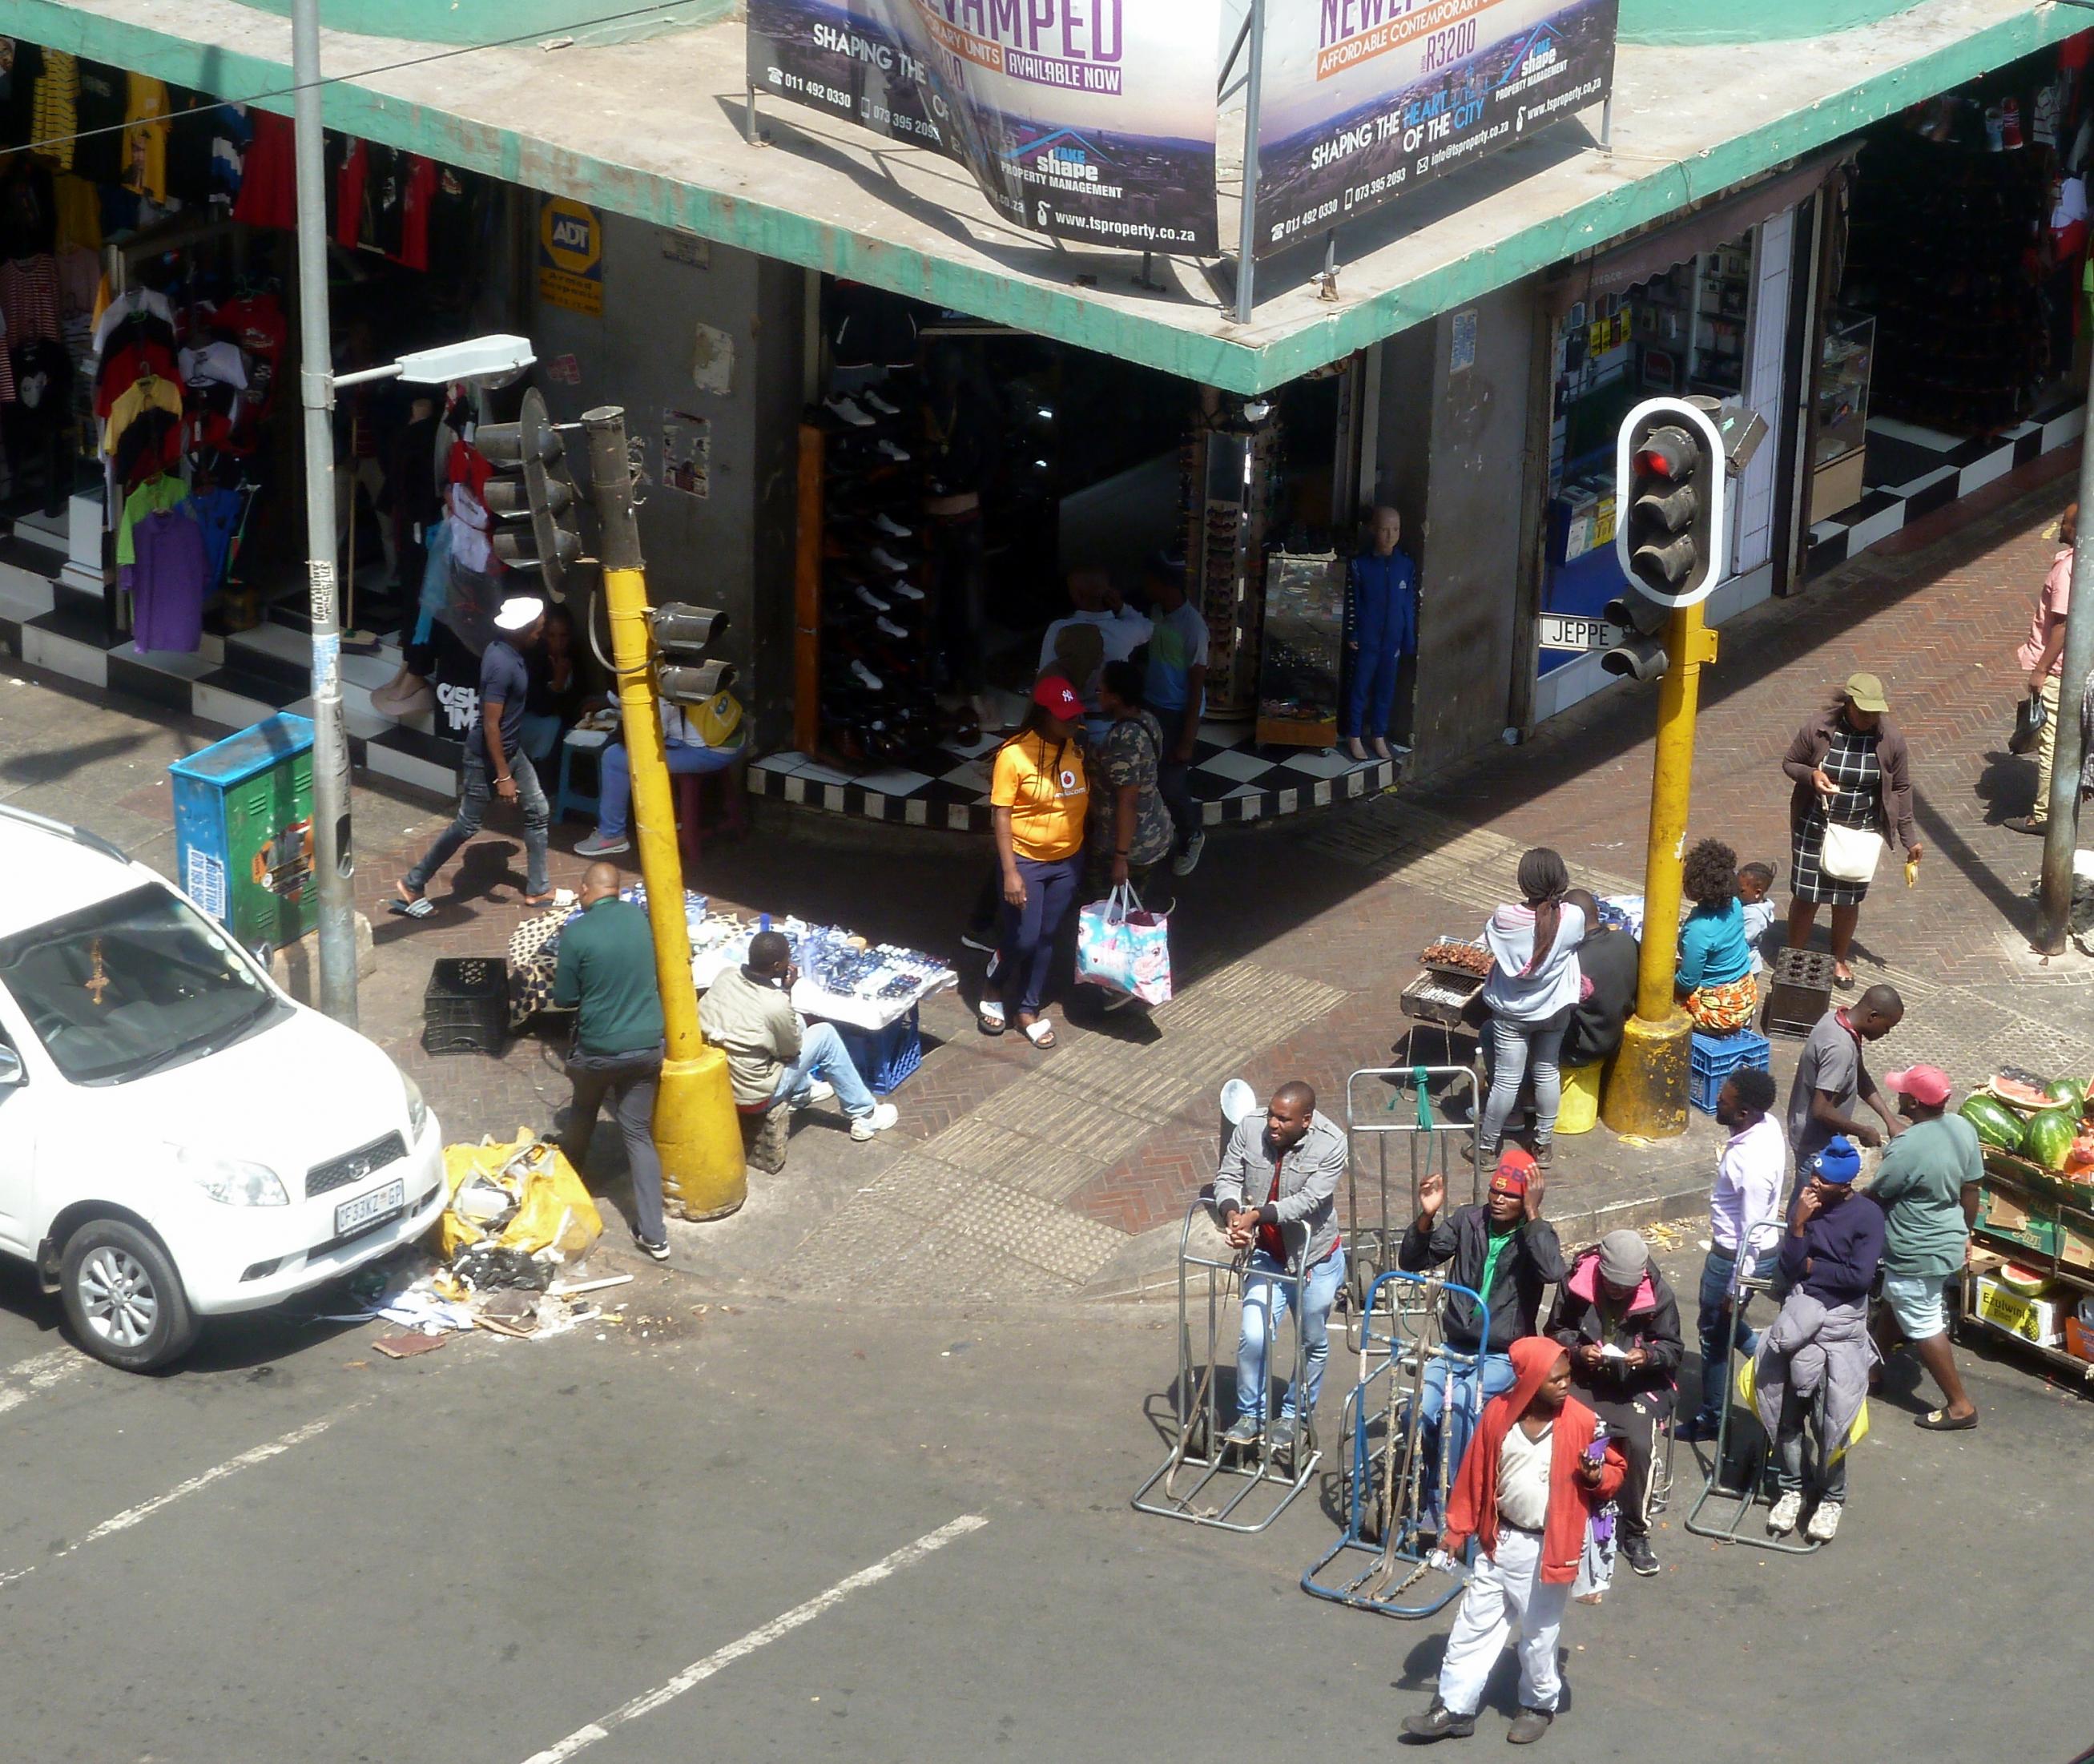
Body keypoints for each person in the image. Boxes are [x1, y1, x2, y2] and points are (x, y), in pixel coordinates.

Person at [1402, 1338, 1625, 1747]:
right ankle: (1455, 1707)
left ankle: (1538, 1704)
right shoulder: (1498, 1415)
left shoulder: (1581, 1421)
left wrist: (1597, 1478)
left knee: (1539, 1636)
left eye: (1568, 1376)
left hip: (1547, 1550)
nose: (1565, 1384)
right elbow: (1474, 1477)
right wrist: (1456, 1531)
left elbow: (1614, 1473)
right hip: (1497, 1542)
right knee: (1472, 1627)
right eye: (1555, 1378)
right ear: (1530, 1380)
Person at [1397, 1148, 1565, 1528]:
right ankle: (1422, 1488)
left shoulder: (1536, 1234)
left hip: (1502, 1355)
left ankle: (1449, 1506)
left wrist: (1535, 1216)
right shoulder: (1467, 1220)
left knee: (1458, 1413)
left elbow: (1553, 1271)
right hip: (1455, 1346)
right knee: (1417, 1412)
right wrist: (1426, 1216)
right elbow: (1413, 1261)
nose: (1499, 1200)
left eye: (1511, 1195)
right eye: (1495, 1191)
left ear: (1528, 1200)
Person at [1214, 1081, 1347, 1472]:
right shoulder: (1250, 1127)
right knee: (1252, 1335)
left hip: (1314, 1260)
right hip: (1267, 1257)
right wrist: (1233, 1215)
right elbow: (1227, 1177)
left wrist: (1258, 1215)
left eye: (1282, 1119)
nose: (1272, 1123)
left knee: (1311, 1341)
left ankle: (1294, 1416)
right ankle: (1250, 1415)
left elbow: (1310, 1200)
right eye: (1271, 1114)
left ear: (1306, 1121)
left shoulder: (1332, 1142)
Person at [393, 594, 554, 916]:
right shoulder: (502, 665)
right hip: (486, 757)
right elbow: (491, 725)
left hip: (511, 751)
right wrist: (503, 776)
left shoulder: (508, 650)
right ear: (522, 629)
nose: (542, 629)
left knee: (538, 810)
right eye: (538, 626)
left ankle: (538, 889)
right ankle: (413, 882)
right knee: (467, 825)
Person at [1756, 1137, 1884, 1540]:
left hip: (1841, 1328)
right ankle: (1791, 1489)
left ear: (1844, 1186)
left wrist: (1814, 1267)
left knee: (1831, 1420)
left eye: (1822, 1180)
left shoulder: (1867, 1217)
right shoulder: (1807, 1205)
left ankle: (1831, 1498)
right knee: (1788, 1416)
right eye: (1813, 1174)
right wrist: (1797, 1225)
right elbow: (1792, 1268)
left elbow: (1860, 1279)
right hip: (1800, 1316)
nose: (1813, 1183)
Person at [1545, 1229, 1683, 1577]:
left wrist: (1647, 1356)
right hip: (1587, 1377)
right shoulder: (1575, 1283)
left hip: (1637, 1384)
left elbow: (1673, 1350)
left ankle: (1636, 1530)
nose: (1620, 1292)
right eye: (1613, 1285)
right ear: (1601, 1272)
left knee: (1638, 1443)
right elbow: (1554, 1331)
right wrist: (1578, 1351)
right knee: (1560, 1424)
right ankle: (1564, 1512)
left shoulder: (1659, 1294)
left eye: (1627, 1287)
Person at [554, 862, 671, 1260]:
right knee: (637, 1133)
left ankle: (565, 1191)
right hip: (647, 1048)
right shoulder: (639, 918)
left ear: (587, 889)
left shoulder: (576, 932)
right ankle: (655, 1234)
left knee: (583, 1111)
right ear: (616, 890)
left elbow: (565, 998)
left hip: (599, 1051)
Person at [1781, 671, 1923, 989]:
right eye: (1863, 712)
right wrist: (1812, 775)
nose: (1869, 718)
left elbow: (1901, 788)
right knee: (1806, 896)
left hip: (1860, 830)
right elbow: (1791, 763)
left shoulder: (1890, 740)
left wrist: (1909, 837)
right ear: (1848, 703)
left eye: (1875, 713)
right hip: (1815, 826)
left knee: (1846, 899)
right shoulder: (1819, 729)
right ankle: (1794, 956)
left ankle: (1839, 958)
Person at [698, 929, 899, 1142]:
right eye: (787, 959)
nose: (789, 962)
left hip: (722, 1081)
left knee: (799, 1023)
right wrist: (786, 992)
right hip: (752, 1097)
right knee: (825, 1035)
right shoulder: (775, 1002)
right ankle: (865, 1114)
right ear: (777, 967)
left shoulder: (726, 975)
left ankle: (800, 1093)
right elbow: (791, 1051)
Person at [1866, 1065, 1983, 1431]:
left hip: (1916, 1249)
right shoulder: (1963, 1128)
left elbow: (1878, 1194)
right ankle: (1871, 1369)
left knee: (1923, 1321)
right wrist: (1966, 1232)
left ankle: (1960, 1406)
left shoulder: (1907, 1147)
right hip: (1946, 1239)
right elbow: (1972, 1188)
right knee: (1895, 1300)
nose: (1897, 1095)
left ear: (1913, 1103)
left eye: (1902, 1092)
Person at [1678, 1068, 1786, 1442]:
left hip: (1736, 1258)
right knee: (1721, 1326)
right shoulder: (1766, 1125)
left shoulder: (1752, 1164)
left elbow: (1752, 1234)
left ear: (1743, 1113)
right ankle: (1765, 1354)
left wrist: (1736, 1288)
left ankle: (1712, 1417)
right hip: (1743, 1254)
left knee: (1713, 1336)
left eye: (1723, 1101)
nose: (1716, 1103)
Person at [981, 675, 1089, 1047]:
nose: (1073, 722)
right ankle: (994, 985)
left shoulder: (1077, 748)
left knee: (1046, 938)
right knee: (1023, 940)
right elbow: (1001, 814)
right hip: (1026, 862)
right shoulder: (1013, 755)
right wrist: (1011, 872)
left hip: (1067, 863)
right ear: (1043, 716)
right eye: (1065, 717)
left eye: (1075, 715)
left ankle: (1027, 1009)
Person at [1477, 848, 1585, 1167]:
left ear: (1524, 882)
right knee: (1547, 1070)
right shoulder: (1575, 916)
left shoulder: (1504, 917)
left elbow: (1492, 941)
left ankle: (1486, 1150)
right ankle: (1543, 1145)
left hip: (1512, 1014)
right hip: (1554, 1010)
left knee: (1507, 1081)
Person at [576, 690, 745, 859]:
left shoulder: (658, 693)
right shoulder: (678, 669)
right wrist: (608, 702)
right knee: (664, 740)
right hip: (734, 736)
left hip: (712, 752)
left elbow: (645, 739)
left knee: (614, 757)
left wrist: (621, 727)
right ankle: (673, 816)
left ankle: (612, 835)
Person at [2006, 501, 2076, 835]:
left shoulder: (2067, 571)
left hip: (2058, 670)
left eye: (2065, 523)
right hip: (2075, 668)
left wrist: (2041, 670)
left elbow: (2061, 625)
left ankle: (2044, 815)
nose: (2060, 527)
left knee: (2050, 742)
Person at [1139, 551, 1208, 876]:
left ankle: (1192, 834)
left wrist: (1187, 739)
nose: (1144, 586)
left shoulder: (1193, 627)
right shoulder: (1155, 613)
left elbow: (1196, 689)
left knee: (1171, 782)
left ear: (1165, 585)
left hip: (1176, 714)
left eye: (1150, 581)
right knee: (1152, 778)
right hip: (1152, 707)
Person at [1786, 985, 1905, 1174]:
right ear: (1872, 1016)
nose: (1887, 1033)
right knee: (1809, 1200)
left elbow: (1860, 1074)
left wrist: (1889, 1120)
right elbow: (1821, 1110)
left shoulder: (1835, 1019)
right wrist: (1862, 1131)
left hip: (1811, 1131)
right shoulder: (1840, 1049)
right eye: (1887, 1027)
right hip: (1814, 1145)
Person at [1340, 505, 1419, 763]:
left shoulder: (1405, 565)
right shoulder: (1360, 565)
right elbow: (1353, 602)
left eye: (1395, 529)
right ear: (1373, 529)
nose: (1390, 535)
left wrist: (1408, 638)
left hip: (1392, 640)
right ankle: (1354, 734)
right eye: (1384, 529)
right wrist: (1353, 631)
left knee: (1386, 689)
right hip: (1367, 639)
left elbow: (1408, 604)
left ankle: (1378, 735)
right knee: (1360, 687)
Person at [1037, 567, 1150, 727]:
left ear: (1077, 595)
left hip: (1070, 721)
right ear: (1108, 593)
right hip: (1113, 722)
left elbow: (1047, 679)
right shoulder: (1127, 630)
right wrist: (1122, 608)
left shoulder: (1059, 629)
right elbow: (1150, 628)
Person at [1674, 838, 1757, 1032]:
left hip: (1721, 1012)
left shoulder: (1698, 931)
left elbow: (1687, 982)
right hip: (1745, 994)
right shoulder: (1735, 905)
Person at [1558, 887, 1637, 1070]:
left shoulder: (1572, 960)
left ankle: (1527, 1093)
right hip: (1615, 1038)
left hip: (1579, 1050)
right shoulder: (1626, 940)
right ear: (1597, 912)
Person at [519, 603, 581, 766]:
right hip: (534, 723)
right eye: (552, 636)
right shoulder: (535, 658)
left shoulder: (575, 654)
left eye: (563, 636)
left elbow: (579, 693)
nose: (558, 642)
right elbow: (539, 708)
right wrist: (557, 684)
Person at [1737, 861, 1778, 974]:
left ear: (1757, 893)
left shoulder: (1754, 917)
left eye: (1741, 890)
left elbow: (1741, 940)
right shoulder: (1755, 907)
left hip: (1746, 966)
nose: (1736, 893)